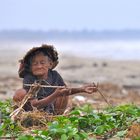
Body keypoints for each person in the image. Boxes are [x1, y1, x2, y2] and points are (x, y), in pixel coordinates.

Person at [13, 44, 97, 115]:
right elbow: (34, 105)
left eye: (42, 63)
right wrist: (55, 95)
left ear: (50, 64)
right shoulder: (29, 78)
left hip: (51, 110)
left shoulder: (55, 75)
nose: (39, 66)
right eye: (35, 64)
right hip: (32, 112)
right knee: (20, 93)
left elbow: (65, 91)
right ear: (31, 67)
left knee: (64, 91)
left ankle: (55, 117)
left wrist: (82, 89)